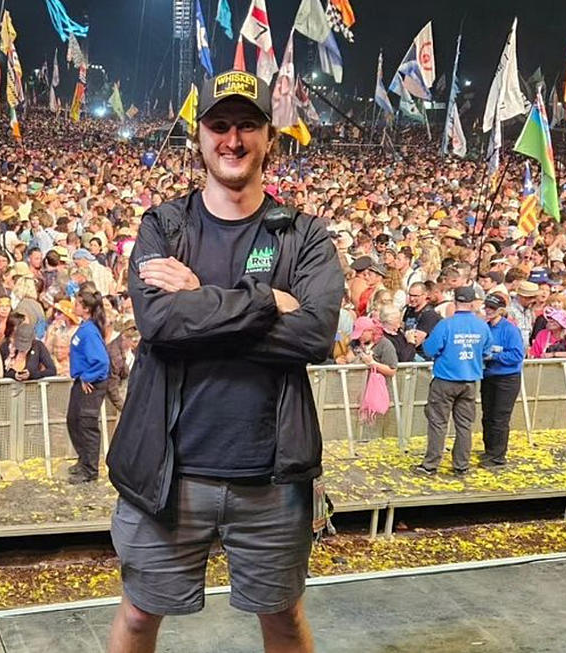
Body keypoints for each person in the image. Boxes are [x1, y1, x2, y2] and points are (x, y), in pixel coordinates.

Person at [106, 70, 342, 653]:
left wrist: (199, 303)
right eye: (218, 125)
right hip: (168, 474)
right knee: (137, 617)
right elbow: (160, 324)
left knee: (284, 617)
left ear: (270, 138)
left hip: (271, 477)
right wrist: (266, 303)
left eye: (246, 125)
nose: (231, 139)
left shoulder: (305, 236)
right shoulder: (164, 225)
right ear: (199, 137)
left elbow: (314, 334)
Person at [416, 286, 492, 476]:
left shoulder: (446, 324)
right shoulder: (482, 325)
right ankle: (461, 465)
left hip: (445, 379)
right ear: (473, 302)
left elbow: (430, 349)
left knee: (438, 423)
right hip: (470, 381)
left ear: (455, 302)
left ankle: (431, 465)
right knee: (465, 425)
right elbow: (487, 351)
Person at [66, 285, 110, 484]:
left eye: (77, 303)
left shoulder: (90, 331)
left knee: (86, 424)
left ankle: (90, 470)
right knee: (73, 420)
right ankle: (83, 460)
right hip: (82, 379)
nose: (74, 306)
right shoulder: (85, 328)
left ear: (85, 308)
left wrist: (88, 377)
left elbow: (102, 361)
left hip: (91, 383)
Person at [480, 294, 524, 468]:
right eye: (487, 307)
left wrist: (495, 356)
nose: (488, 311)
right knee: (488, 416)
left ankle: (498, 456)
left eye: (492, 308)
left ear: (501, 310)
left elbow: (517, 355)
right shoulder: (485, 327)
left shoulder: (510, 329)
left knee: (500, 417)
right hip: (489, 376)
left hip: (507, 378)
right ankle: (490, 450)